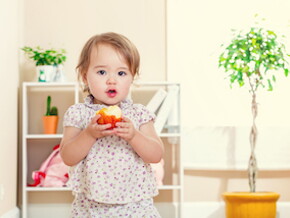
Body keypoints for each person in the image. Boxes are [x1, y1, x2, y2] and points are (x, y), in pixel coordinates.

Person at [60, 32, 164, 218]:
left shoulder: (139, 114)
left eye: (121, 73)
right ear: (85, 77)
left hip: (136, 205)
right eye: (101, 72)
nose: (111, 80)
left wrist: (134, 135)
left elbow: (155, 155)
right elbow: (68, 157)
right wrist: (89, 135)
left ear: (132, 78)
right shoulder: (79, 114)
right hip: (91, 206)